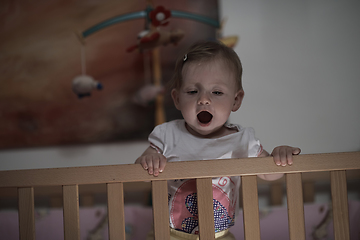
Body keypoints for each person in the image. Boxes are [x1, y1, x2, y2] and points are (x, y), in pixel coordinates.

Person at [135, 41, 301, 239]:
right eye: (192, 91)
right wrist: (149, 160)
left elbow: (269, 174)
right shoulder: (168, 135)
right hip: (169, 233)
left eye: (217, 92)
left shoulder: (242, 141)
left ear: (236, 100)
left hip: (219, 235)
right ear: (177, 98)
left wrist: (279, 157)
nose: (203, 99)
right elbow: (141, 172)